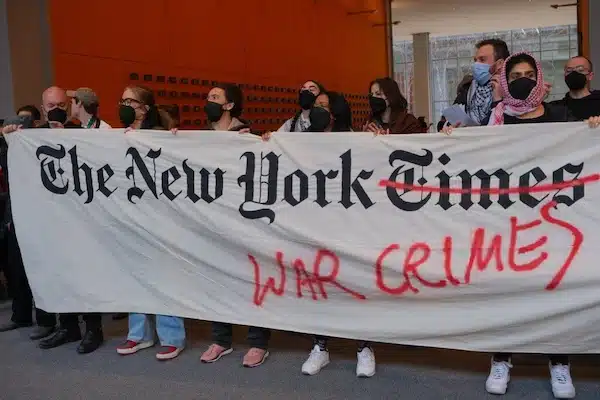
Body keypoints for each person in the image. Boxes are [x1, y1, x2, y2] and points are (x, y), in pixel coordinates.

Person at [482, 52, 600, 399]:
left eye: (528, 73)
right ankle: (501, 357)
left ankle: (559, 361)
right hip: (507, 219)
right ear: (505, 80)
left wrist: (592, 131)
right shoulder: (497, 119)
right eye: (515, 74)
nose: (522, 78)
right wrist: (450, 139)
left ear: (538, 78)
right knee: (506, 288)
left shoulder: (561, 116)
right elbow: (475, 158)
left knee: (553, 286)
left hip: (552, 217)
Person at [0, 86, 80, 341]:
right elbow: (10, 168)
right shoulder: (29, 135)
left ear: (67, 106)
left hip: (70, 216)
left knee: (67, 273)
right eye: (51, 105)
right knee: (40, 270)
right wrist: (9, 139)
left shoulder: (80, 133)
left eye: (61, 105)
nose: (56, 110)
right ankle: (45, 321)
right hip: (38, 215)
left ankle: (71, 326)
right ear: (42, 108)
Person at [200, 83, 271, 368]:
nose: (209, 102)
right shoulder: (199, 138)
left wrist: (263, 142)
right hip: (213, 220)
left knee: (251, 279)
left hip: (244, 220)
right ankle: (221, 338)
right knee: (218, 279)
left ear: (230, 105)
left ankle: (257, 342)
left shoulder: (248, 135)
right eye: (208, 98)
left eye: (215, 98)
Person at [115, 85, 184, 361]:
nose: (124, 105)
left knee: (165, 274)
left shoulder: (164, 135)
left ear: (145, 108)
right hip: (130, 215)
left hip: (160, 216)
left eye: (130, 101)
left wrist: (178, 141)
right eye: (121, 101)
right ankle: (139, 333)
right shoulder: (116, 137)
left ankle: (172, 336)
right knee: (135, 273)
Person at [456, 39, 510, 126]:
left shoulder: (512, 90)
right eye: (475, 60)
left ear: (499, 64)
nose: (476, 65)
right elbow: (445, 121)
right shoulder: (467, 87)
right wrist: (448, 125)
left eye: (482, 59)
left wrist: (498, 101)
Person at [550, 56, 600, 121]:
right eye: (569, 70)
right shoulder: (556, 107)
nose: (574, 73)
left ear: (590, 76)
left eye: (580, 70)